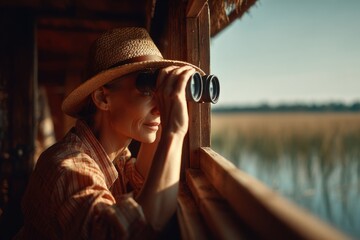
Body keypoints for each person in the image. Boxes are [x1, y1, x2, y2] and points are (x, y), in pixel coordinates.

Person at [15, 27, 204, 239]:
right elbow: (134, 229)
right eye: (147, 87)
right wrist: (174, 131)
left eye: (159, 91)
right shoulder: (68, 168)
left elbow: (145, 184)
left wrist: (166, 108)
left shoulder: (117, 158)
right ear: (103, 99)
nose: (158, 105)